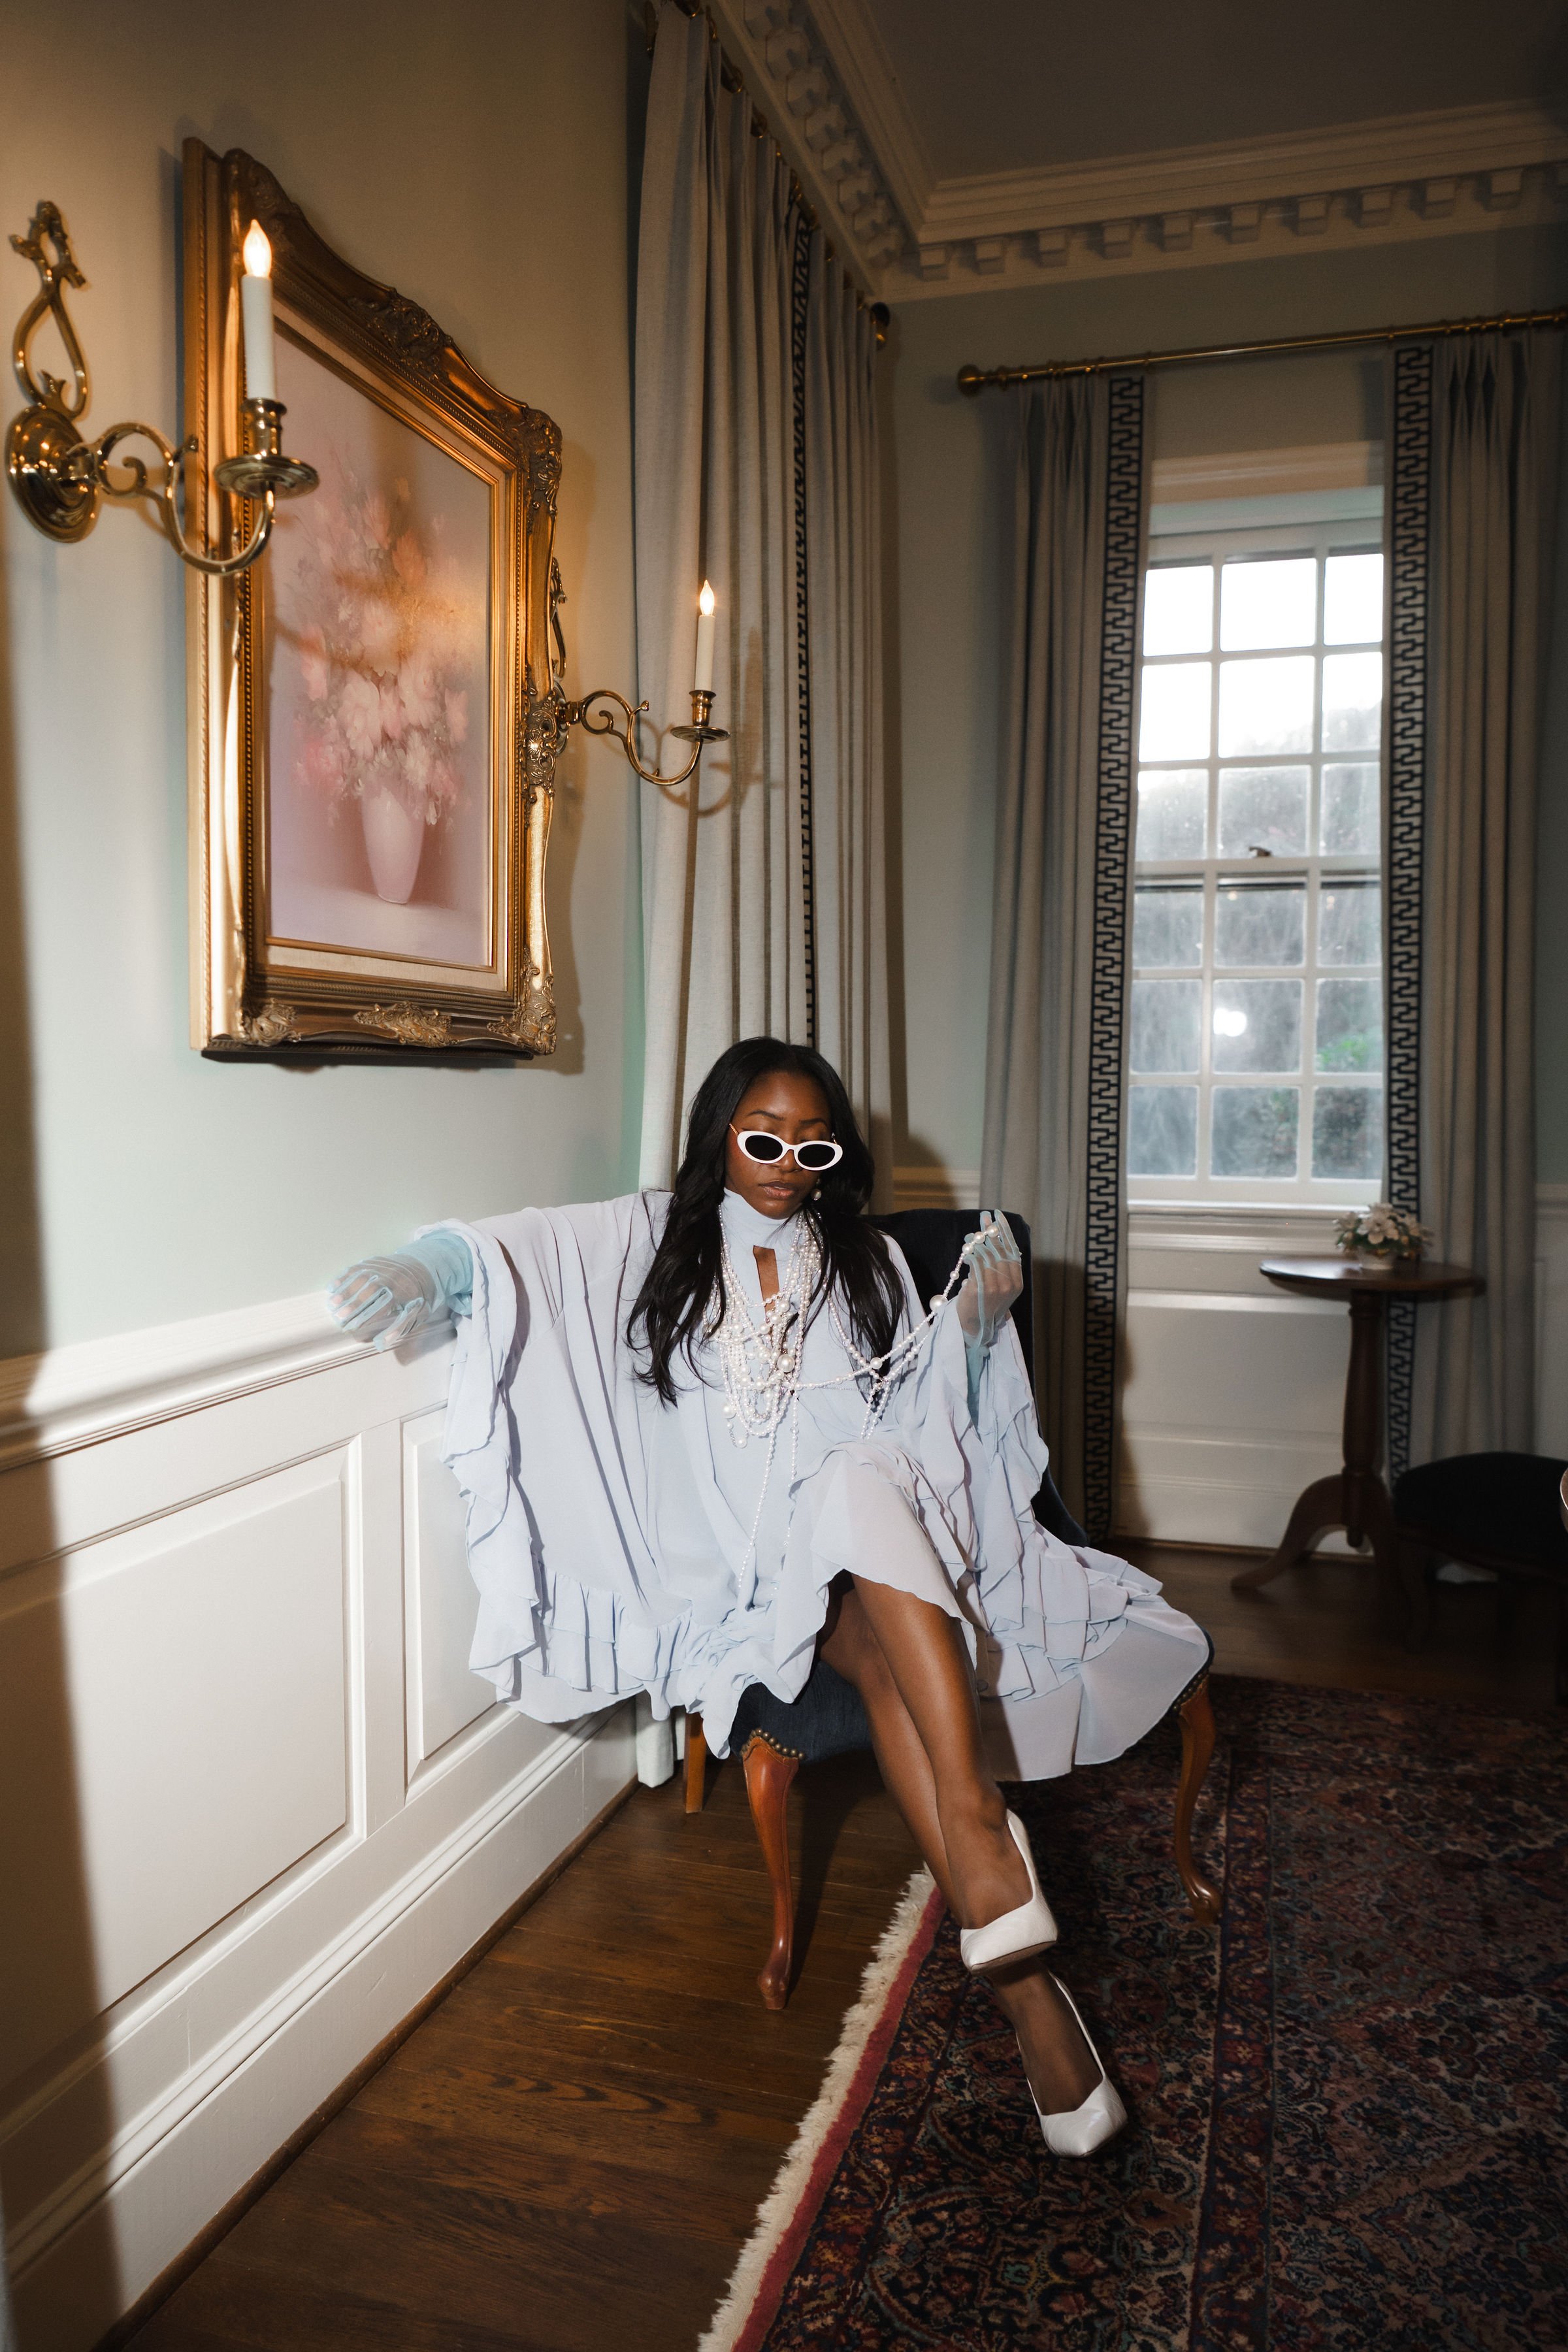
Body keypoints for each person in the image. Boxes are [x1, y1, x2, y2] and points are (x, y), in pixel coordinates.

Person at [329, 1037, 1207, 2155]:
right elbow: (526, 1253)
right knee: (873, 1602)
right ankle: (998, 1886)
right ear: (719, 1139)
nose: (787, 1162)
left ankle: (1018, 1951)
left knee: (859, 1497)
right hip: (754, 1577)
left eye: (812, 1142)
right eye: (761, 1138)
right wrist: (428, 1272)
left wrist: (982, 1324)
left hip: (884, 1539)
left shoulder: (873, 1262)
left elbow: (931, 1415)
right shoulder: (657, 1238)